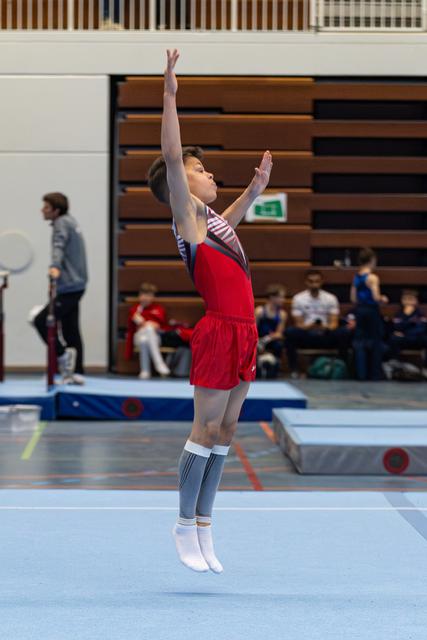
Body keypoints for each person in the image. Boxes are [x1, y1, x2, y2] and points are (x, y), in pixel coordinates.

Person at [147, 49, 272, 573]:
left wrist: (255, 190)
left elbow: (232, 220)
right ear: (181, 186)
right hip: (220, 330)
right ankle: (181, 522)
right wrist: (170, 94)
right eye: (202, 171)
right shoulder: (187, 221)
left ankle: (205, 523)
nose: (207, 172)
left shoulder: (214, 224)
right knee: (205, 429)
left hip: (246, 331)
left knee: (226, 433)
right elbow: (172, 157)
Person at [34, 193, 87, 384]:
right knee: (71, 328)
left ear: (56, 211)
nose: (42, 210)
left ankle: (63, 356)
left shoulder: (61, 224)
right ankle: (77, 372)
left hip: (70, 285)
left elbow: (59, 244)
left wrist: (55, 266)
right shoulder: (71, 221)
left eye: (46, 207)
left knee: (41, 321)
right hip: (76, 284)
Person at [285, 270, 351, 377]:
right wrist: (311, 326)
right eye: (311, 281)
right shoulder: (299, 298)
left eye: (317, 281)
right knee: (290, 332)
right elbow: (299, 324)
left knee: (344, 332)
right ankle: (294, 369)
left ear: (321, 282)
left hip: (325, 335)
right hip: (307, 334)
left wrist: (324, 327)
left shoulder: (330, 298)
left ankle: (341, 366)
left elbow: (334, 324)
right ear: (306, 282)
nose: (314, 284)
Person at [350, 247, 388, 381]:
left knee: (360, 342)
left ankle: (360, 374)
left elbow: (353, 298)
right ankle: (375, 374)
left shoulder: (356, 277)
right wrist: (383, 299)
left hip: (360, 310)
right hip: (371, 311)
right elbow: (376, 297)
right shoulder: (372, 277)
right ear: (372, 260)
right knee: (375, 341)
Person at [125, 282, 170, 379]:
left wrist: (147, 324)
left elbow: (160, 326)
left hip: (155, 338)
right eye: (144, 295)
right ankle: (159, 364)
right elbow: (136, 325)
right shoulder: (135, 310)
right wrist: (148, 324)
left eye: (149, 295)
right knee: (147, 331)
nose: (146, 298)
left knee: (144, 340)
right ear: (139, 296)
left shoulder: (158, 309)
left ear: (153, 297)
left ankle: (145, 370)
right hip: (138, 336)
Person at [387, 289, 427, 370]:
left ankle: (425, 367)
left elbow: (421, 329)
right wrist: (406, 317)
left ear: (416, 301)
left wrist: (406, 332)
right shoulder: (399, 314)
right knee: (394, 338)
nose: (408, 302)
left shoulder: (420, 314)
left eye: (411, 299)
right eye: (405, 299)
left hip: (416, 339)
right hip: (403, 340)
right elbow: (397, 327)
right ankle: (394, 362)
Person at [255, 284, 287, 378]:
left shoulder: (282, 314)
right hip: (258, 339)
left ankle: (274, 369)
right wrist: (258, 341)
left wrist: (268, 338)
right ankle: (256, 368)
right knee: (253, 345)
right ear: (272, 297)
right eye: (281, 297)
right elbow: (253, 330)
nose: (283, 300)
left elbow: (279, 333)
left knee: (279, 345)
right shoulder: (259, 311)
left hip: (271, 340)